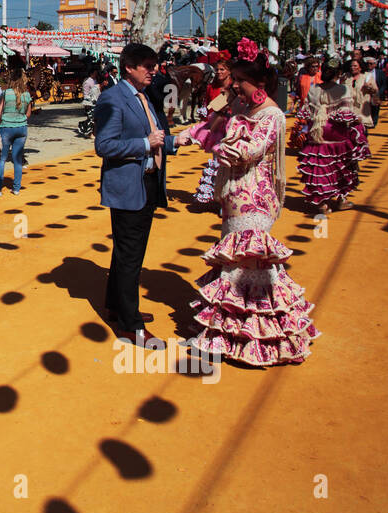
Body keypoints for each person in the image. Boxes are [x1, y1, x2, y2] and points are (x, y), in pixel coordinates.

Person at [179, 49, 318, 366]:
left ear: (259, 83)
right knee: (233, 262)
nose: (233, 86)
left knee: (247, 265)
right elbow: (210, 126)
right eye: (234, 81)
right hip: (234, 197)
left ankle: (261, 340)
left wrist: (224, 127)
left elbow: (246, 151)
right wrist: (190, 134)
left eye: (239, 81)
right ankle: (233, 336)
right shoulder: (241, 107)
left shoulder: (272, 116)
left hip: (255, 201)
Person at [95, 42, 185, 345]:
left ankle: (116, 306)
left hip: (146, 182)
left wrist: (177, 141)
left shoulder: (142, 96)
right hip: (127, 185)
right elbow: (104, 146)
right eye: (147, 65)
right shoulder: (112, 98)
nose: (154, 70)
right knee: (131, 255)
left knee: (126, 253)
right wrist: (145, 144)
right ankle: (130, 325)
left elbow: (158, 135)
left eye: (154, 64)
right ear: (129, 67)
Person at [298, 58, 370, 211]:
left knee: (319, 164)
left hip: (317, 130)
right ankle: (341, 199)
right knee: (342, 163)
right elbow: (345, 115)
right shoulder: (343, 90)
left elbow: (307, 112)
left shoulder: (313, 89)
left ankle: (322, 202)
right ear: (339, 73)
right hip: (335, 131)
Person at [194, 58, 234, 207]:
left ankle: (228, 197)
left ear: (229, 71)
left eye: (222, 69)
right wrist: (204, 112)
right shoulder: (211, 87)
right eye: (217, 69)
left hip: (231, 129)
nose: (218, 72)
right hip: (216, 129)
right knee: (217, 162)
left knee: (229, 163)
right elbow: (210, 107)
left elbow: (224, 105)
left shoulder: (233, 87)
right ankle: (217, 196)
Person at [0, 66, 32, 195]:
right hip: (21, 128)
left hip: (6, 127)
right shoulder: (27, 95)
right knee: (17, 159)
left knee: (2, 159)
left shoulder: (6, 93)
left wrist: (3, 120)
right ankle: (16, 188)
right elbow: (28, 114)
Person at [343, 58, 379, 129]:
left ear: (360, 67)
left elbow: (375, 90)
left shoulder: (367, 76)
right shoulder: (345, 76)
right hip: (348, 110)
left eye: (355, 66)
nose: (352, 68)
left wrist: (369, 87)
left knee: (361, 135)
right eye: (351, 66)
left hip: (362, 110)